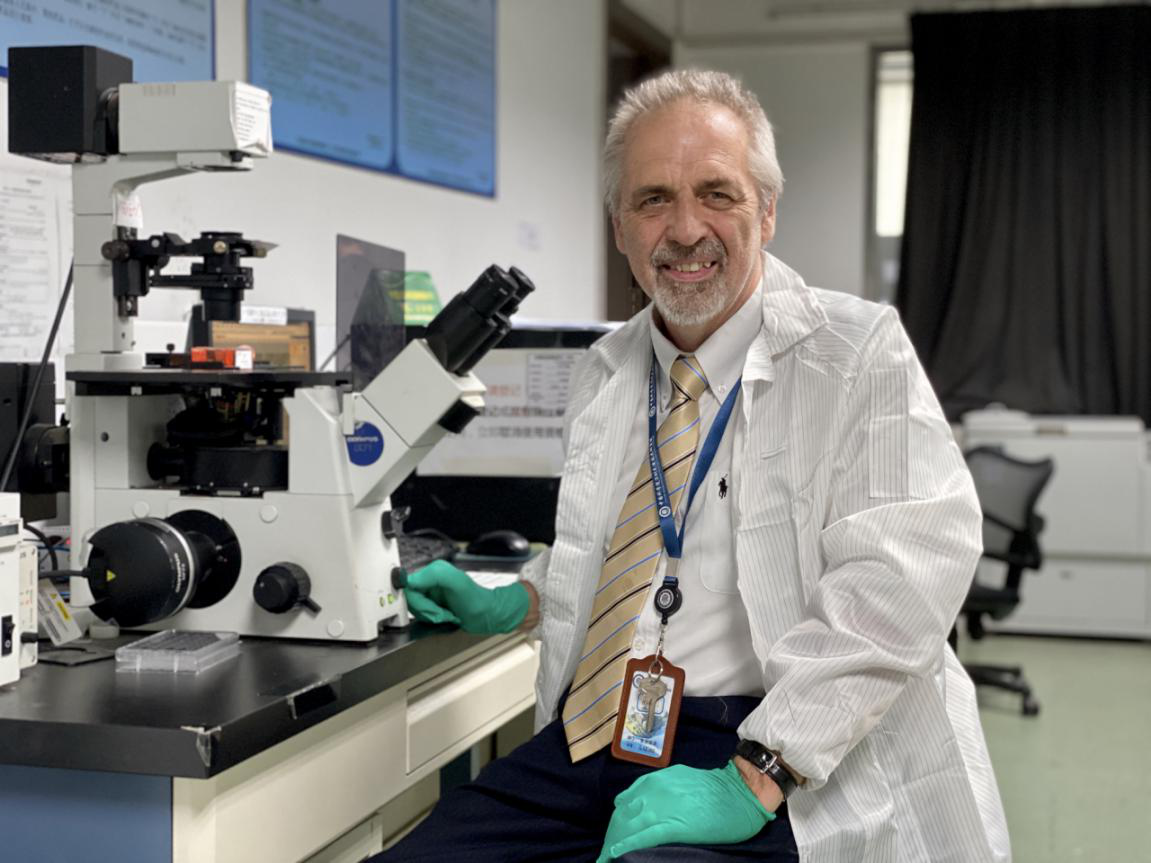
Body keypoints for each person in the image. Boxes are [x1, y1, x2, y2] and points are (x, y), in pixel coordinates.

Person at [377, 69, 1010, 862]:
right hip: (598, 726)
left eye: (716, 194)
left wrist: (759, 772)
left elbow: (901, 579)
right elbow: (626, 548)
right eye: (652, 199)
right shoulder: (607, 369)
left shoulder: (854, 354)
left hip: (767, 742)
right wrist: (520, 598)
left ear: (766, 211)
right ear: (619, 227)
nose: (683, 230)